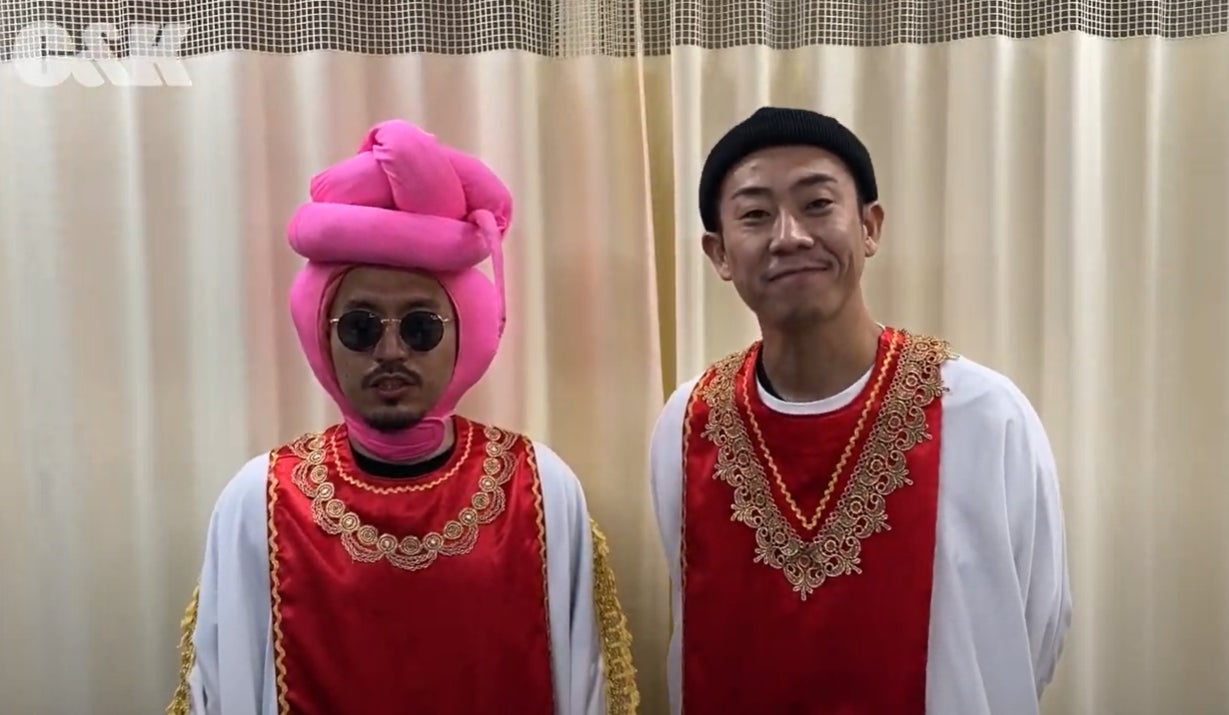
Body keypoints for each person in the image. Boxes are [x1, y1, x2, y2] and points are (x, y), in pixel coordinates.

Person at [167, 119, 639, 715]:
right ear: (323, 337)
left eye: (420, 327)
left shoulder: (539, 489)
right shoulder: (260, 500)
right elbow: (222, 688)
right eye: (360, 327)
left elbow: (586, 686)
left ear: (462, 333)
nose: (390, 352)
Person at [648, 106, 1072, 714]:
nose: (789, 235)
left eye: (817, 204)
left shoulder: (982, 413)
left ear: (869, 227)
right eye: (755, 214)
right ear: (719, 253)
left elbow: (1034, 627)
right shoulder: (689, 423)